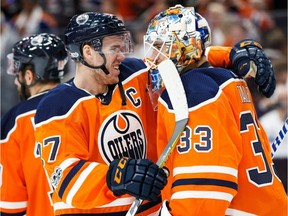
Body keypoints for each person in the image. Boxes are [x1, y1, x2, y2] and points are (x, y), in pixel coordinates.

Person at [34, 11, 277, 215]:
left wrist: (232, 54)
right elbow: (62, 179)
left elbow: (179, 58)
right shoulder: (56, 106)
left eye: (124, 46)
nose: (123, 54)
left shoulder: (136, 74)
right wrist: (114, 177)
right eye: (115, 48)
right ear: (88, 53)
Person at [142, 5, 287, 215]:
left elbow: (206, 187)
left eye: (160, 46)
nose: (152, 58)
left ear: (184, 47)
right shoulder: (224, 78)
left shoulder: (193, 92)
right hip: (263, 203)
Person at [0, 33, 68, 215]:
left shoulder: (13, 123)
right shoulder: (83, 102)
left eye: (18, 74)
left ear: (29, 76)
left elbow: (11, 206)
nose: (16, 81)